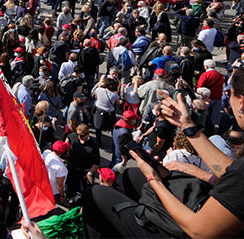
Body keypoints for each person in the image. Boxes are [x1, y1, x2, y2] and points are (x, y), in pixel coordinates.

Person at [83, 67, 244, 237]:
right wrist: (187, 125)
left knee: (96, 194)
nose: (227, 97)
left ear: (241, 102)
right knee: (131, 175)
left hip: (197, 228)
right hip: (204, 204)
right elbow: (229, 170)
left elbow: (200, 231)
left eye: (230, 93)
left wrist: (153, 178)